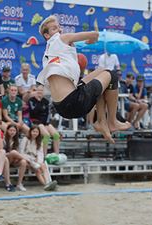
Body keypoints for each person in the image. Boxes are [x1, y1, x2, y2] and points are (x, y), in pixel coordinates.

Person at [37, 15, 130, 143]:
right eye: (54, 28)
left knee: (101, 72)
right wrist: (91, 39)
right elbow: (95, 34)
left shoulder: (48, 54)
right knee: (112, 75)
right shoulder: (61, 38)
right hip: (75, 101)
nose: (59, 30)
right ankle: (112, 121)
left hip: (62, 107)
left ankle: (101, 122)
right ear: (47, 35)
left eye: (59, 27)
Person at [19, 126, 57, 191]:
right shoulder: (25, 139)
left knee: (42, 165)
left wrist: (39, 161)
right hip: (26, 159)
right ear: (30, 132)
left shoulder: (39, 141)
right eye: (33, 131)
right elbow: (21, 152)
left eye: (36, 132)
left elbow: (40, 153)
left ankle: (48, 182)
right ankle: (46, 185)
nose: (35, 133)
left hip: (35, 159)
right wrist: (32, 160)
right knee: (38, 170)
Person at [28, 85, 60, 155]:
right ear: (35, 91)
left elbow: (48, 113)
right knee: (46, 135)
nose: (39, 92)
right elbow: (33, 112)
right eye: (38, 90)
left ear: (44, 92)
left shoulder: (46, 101)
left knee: (56, 135)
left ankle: (56, 154)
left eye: (41, 90)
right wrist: (38, 101)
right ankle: (44, 155)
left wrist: (47, 124)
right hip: (35, 121)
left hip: (45, 123)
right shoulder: (31, 100)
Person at [4, 124, 28, 191]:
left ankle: (19, 183)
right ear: (7, 130)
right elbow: (2, 153)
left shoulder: (17, 140)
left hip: (14, 160)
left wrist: (17, 157)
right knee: (13, 152)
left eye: (14, 130)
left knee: (23, 162)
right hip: (6, 159)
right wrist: (12, 154)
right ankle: (31, 161)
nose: (12, 132)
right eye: (11, 130)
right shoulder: (3, 139)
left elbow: (19, 152)